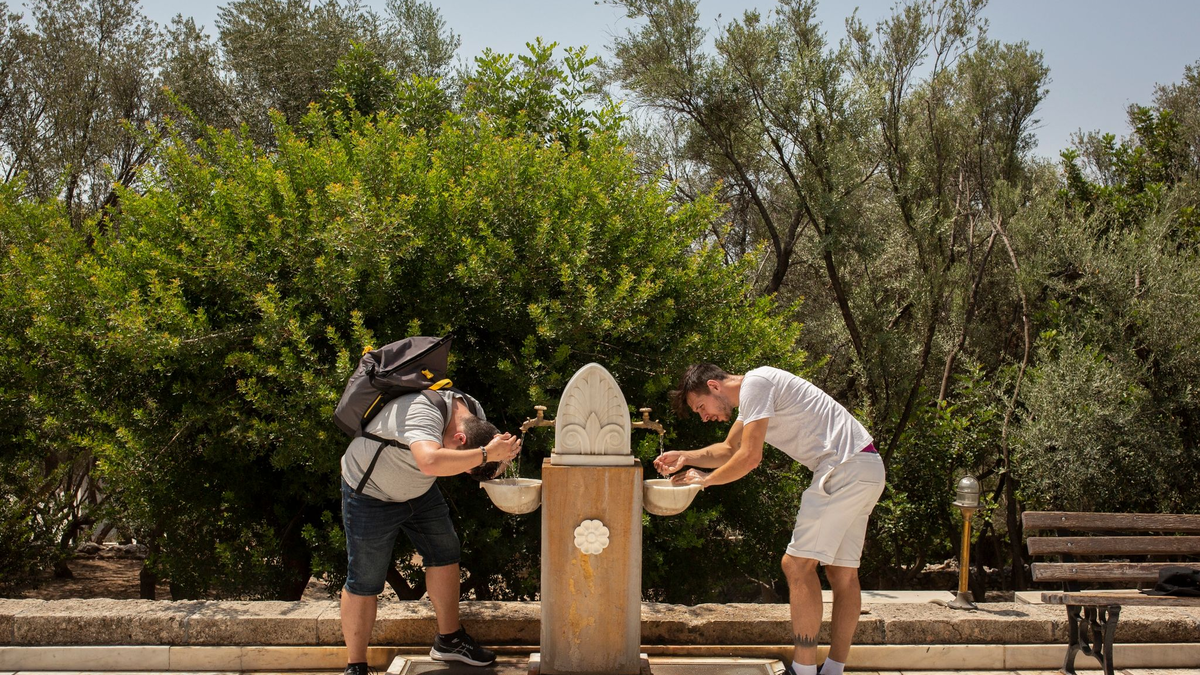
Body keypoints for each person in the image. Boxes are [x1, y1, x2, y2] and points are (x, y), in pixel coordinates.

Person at [656, 364, 885, 675]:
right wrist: (687, 455)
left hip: (841, 468)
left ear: (714, 386)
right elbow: (728, 449)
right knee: (842, 574)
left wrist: (703, 481)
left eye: (701, 407)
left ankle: (802, 672)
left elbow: (750, 457)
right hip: (866, 466)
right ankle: (833, 671)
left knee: (796, 564)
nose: (704, 416)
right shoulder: (755, 393)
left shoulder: (756, 384)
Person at [339, 388, 521, 675]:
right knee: (365, 578)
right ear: (460, 439)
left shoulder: (474, 413)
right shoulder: (421, 411)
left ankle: (449, 640)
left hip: (420, 491)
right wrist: (486, 454)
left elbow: (476, 455)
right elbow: (430, 461)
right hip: (371, 493)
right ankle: (356, 665)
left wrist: (499, 459)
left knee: (445, 553)